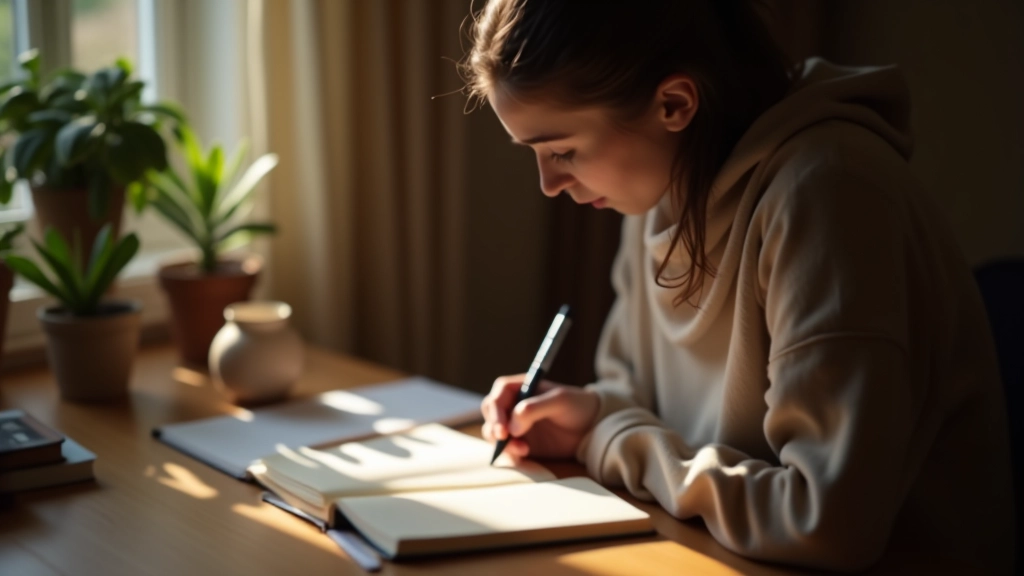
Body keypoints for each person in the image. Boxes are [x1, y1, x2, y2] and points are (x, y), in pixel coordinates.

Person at [464, 0, 1015, 573]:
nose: (550, 184)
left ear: (674, 104)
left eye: (563, 151)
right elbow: (646, 409)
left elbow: (824, 522)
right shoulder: (658, 194)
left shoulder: (829, 194)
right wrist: (595, 412)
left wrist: (608, 435)